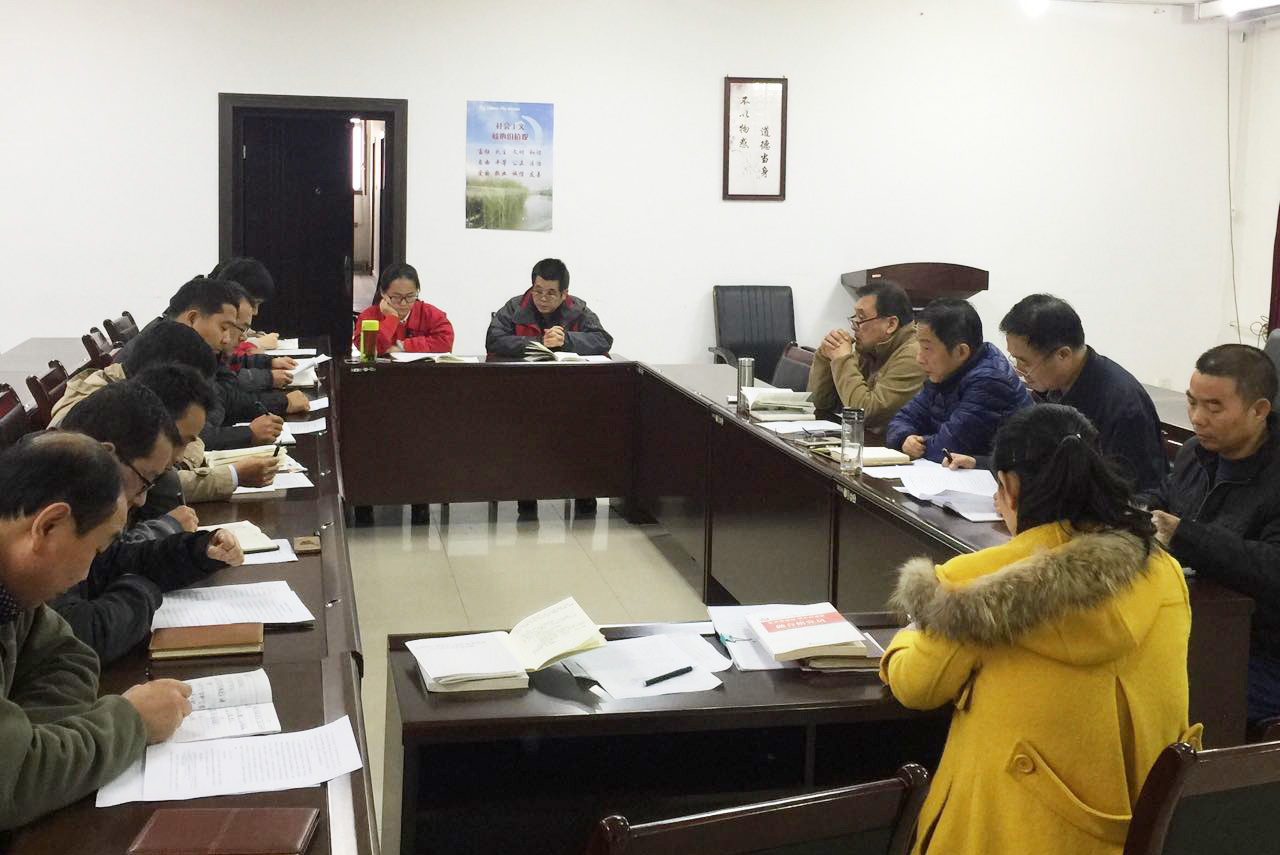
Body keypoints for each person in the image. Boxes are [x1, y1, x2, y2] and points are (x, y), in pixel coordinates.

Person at [881, 404, 1196, 855]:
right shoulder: (1162, 569)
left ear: (1009, 487)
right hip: (1138, 833)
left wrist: (906, 639)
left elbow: (917, 686)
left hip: (1006, 835)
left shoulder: (975, 583)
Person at [0, 432, 192, 830]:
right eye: (96, 549)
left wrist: (35, 746)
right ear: (48, 526)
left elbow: (68, 655)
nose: (86, 573)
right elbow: (13, 780)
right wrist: (132, 723)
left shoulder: (16, 590)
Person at [52, 382, 244, 665]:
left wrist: (197, 552)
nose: (142, 500)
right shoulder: (48, 509)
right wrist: (144, 588)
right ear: (107, 456)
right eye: (145, 481)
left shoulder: (68, 494)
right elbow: (81, 636)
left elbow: (112, 561)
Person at [1149, 344, 1280, 724]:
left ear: (1259, 410)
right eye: (1192, 403)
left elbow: (1272, 567)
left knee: (1153, 691)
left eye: (1214, 407)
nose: (1197, 418)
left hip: (1261, 651)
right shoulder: (1194, 453)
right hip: (1195, 626)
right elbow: (1162, 500)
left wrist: (1184, 534)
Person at [945, 294, 1167, 501]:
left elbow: (1142, 496)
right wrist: (981, 464)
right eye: (1015, 359)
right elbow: (1037, 461)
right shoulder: (1052, 388)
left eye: (1025, 362)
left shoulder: (1122, 405)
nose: (1018, 371)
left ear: (1063, 355)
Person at [48, 321, 275, 500]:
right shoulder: (107, 410)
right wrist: (232, 476)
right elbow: (150, 488)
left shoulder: (138, 395)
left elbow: (193, 442)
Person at [885, 298, 1030, 462]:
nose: (919, 358)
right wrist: (904, 438)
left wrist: (918, 444)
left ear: (961, 352)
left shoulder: (990, 380)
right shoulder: (945, 372)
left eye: (927, 348)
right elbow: (901, 419)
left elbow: (948, 448)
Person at [806, 279, 925, 431]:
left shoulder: (914, 355)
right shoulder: (871, 348)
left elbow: (864, 414)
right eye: (854, 317)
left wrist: (842, 359)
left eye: (861, 318)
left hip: (894, 444)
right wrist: (825, 357)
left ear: (891, 324)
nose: (854, 326)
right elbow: (821, 403)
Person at [485, 258, 613, 357]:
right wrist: (539, 342)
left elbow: (603, 340)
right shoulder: (515, 307)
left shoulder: (577, 309)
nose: (543, 298)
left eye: (551, 293)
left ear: (564, 294)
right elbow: (493, 341)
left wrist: (565, 340)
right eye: (538, 291)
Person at [353, 263, 454, 355]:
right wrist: (392, 318)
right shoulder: (369, 315)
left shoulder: (429, 313)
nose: (403, 303)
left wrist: (403, 346)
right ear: (383, 293)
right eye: (396, 297)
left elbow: (445, 342)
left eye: (410, 296)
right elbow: (368, 349)